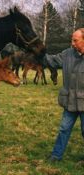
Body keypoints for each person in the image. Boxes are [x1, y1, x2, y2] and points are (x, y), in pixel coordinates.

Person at [43, 28, 84, 161]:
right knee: (64, 130)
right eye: (72, 40)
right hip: (70, 102)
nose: (72, 43)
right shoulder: (67, 54)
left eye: (75, 40)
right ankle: (56, 156)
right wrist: (38, 53)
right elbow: (52, 60)